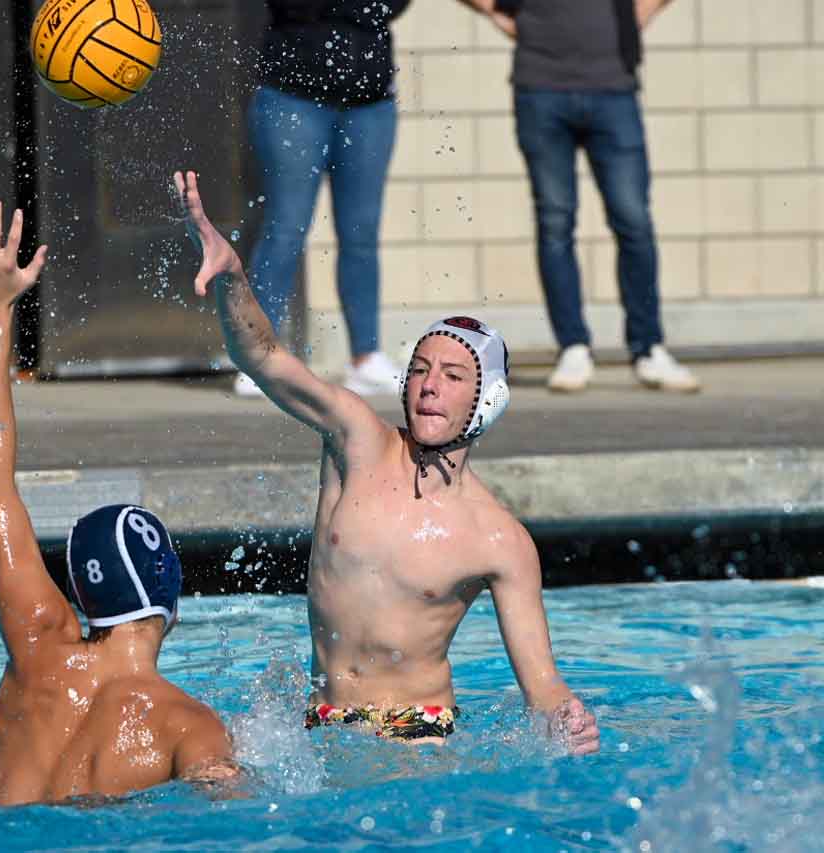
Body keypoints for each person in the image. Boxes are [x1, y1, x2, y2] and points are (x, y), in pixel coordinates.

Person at [175, 169, 600, 753]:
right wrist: (234, 278)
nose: (430, 386)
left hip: (418, 732)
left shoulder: (499, 540)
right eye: (420, 370)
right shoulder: (357, 442)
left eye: (453, 377)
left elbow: (543, 689)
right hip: (319, 721)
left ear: (487, 401)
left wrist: (568, 725)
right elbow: (266, 359)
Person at [0, 200, 237, 805]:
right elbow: (237, 815)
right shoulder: (187, 726)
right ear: (173, 598)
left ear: (79, 597)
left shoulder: (38, 645)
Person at [460, 0, 698, 394]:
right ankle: (573, 346)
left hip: (613, 88)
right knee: (556, 221)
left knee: (633, 220)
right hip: (541, 89)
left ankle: (648, 348)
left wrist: (640, 14)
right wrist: (495, 12)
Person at [236, 0, 411, 399]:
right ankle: (259, 358)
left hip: (370, 102)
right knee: (286, 227)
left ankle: (366, 358)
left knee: (362, 235)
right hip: (293, 97)